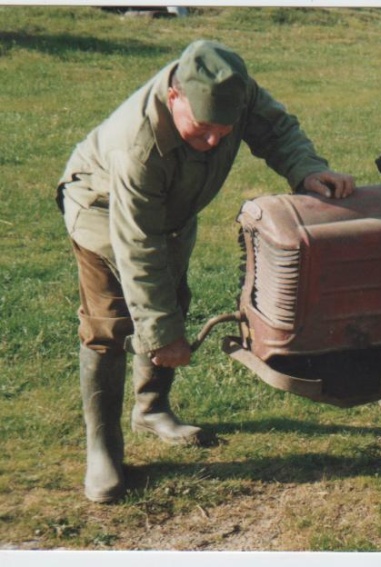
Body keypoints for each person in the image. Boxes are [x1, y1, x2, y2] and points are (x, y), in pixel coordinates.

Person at [56, 39, 355, 503]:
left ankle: (151, 409)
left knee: (173, 301)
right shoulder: (136, 146)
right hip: (101, 211)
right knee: (110, 323)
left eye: (224, 129)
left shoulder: (235, 93)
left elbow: (277, 131)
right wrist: (159, 334)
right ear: (174, 96)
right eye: (202, 129)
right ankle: (104, 451)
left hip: (171, 212)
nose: (215, 141)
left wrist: (307, 169)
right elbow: (138, 242)